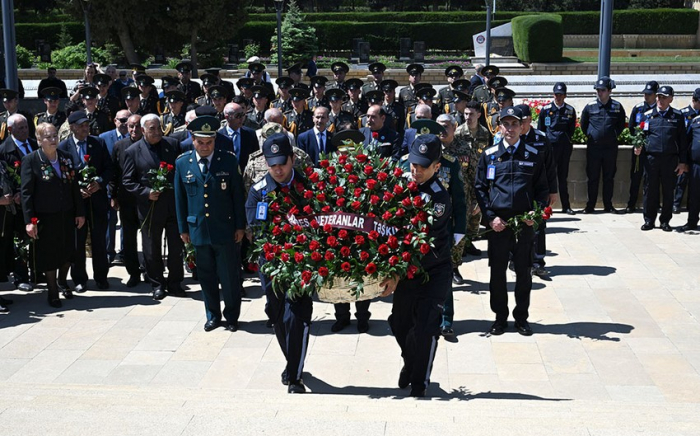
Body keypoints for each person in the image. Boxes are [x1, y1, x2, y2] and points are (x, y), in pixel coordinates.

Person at [381, 133, 453, 398]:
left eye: (423, 165)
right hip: (406, 272)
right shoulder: (401, 186)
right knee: (399, 324)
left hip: (432, 270)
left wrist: (396, 274)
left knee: (425, 328)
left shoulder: (438, 198)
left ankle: (420, 383)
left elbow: (420, 244)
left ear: (436, 166)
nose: (416, 170)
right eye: (413, 163)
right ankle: (411, 363)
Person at [246, 133, 313, 394]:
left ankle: (295, 375)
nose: (278, 169)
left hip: (303, 263)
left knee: (296, 316)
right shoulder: (258, 191)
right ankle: (291, 360)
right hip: (272, 264)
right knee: (277, 316)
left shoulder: (308, 187)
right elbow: (255, 228)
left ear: (292, 159)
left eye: (282, 163)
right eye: (272, 164)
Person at [474, 107, 549, 337]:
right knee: (497, 274)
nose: (510, 129)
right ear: (500, 127)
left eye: (514, 124)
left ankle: (521, 318)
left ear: (522, 126)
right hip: (499, 225)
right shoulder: (490, 155)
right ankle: (499, 318)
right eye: (506, 124)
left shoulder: (533, 154)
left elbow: (542, 189)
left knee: (524, 273)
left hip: (523, 225)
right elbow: (481, 188)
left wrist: (533, 215)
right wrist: (490, 218)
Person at [175, 115, 246, 332]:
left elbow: (237, 196)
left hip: (225, 229)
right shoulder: (182, 163)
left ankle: (232, 315)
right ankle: (212, 315)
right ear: (192, 140)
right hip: (198, 230)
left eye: (210, 142)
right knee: (206, 277)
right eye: (200, 142)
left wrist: (240, 226)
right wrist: (182, 229)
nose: (205, 147)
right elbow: (180, 199)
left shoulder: (228, 160)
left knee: (229, 277)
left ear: (215, 141)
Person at [21, 123, 85, 307]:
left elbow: (74, 186)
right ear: (39, 140)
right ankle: (52, 291)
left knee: (67, 253)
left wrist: (80, 212)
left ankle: (62, 281)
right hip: (45, 217)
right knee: (49, 255)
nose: (53, 139)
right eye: (48, 137)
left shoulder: (65, 157)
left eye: (55, 135)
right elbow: (26, 194)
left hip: (66, 213)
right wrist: (29, 221)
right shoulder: (31, 160)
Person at [122, 114, 184, 300]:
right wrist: (146, 192)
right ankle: (157, 283)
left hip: (172, 206)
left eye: (158, 128)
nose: (157, 132)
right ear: (143, 130)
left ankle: (175, 282)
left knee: (175, 247)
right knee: (151, 248)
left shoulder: (172, 145)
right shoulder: (133, 151)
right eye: (152, 129)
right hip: (149, 207)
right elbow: (127, 180)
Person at [59, 111, 114, 291]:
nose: (85, 128)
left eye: (87, 125)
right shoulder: (64, 147)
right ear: (72, 127)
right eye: (81, 125)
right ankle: (79, 279)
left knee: (99, 240)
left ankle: (101, 277)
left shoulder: (98, 143)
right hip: (77, 204)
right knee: (78, 243)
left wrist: (99, 183)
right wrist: (76, 190)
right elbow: (61, 176)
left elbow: (109, 169)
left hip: (97, 201)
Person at [636, 86, 688, 232]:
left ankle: (665, 220)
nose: (660, 100)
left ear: (671, 98)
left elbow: (683, 141)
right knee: (650, 190)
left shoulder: (677, 116)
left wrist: (682, 162)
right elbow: (641, 136)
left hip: (670, 160)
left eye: (664, 97)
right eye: (659, 97)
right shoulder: (647, 115)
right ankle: (649, 220)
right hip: (651, 158)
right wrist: (637, 146)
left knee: (668, 191)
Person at [517, 104, 557, 278]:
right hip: (518, 191)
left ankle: (538, 262)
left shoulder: (541, 138)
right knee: (517, 225)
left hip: (538, 190)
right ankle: (516, 259)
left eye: (524, 121)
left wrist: (553, 191)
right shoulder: (511, 138)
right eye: (519, 121)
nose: (522, 125)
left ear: (530, 120)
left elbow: (550, 167)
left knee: (538, 225)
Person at [0, 114, 37, 292]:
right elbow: (5, 177)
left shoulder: (34, 144)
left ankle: (38, 271)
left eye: (26, 127)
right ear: (10, 130)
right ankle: (21, 276)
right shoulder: (4, 149)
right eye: (20, 128)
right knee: (19, 240)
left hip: (35, 200)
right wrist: (16, 193)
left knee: (36, 236)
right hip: (15, 205)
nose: (25, 130)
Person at [579, 76, 626, 213]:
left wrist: (613, 135)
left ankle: (608, 205)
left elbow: (621, 124)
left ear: (610, 91)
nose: (600, 93)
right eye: (598, 90)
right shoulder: (590, 106)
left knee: (609, 177)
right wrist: (591, 134)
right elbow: (584, 124)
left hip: (610, 148)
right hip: (594, 147)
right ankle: (590, 205)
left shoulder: (617, 107)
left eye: (603, 90)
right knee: (593, 177)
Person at [455, 100, 491, 257]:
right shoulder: (459, 133)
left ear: (478, 114)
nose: (468, 117)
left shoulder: (485, 133)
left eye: (471, 114)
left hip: (479, 178)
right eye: (466, 114)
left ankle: (469, 242)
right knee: (464, 213)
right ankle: (460, 246)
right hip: (463, 180)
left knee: (476, 214)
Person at [110, 114, 143, 287]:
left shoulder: (150, 143)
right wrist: (113, 196)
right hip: (127, 199)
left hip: (147, 199)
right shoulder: (119, 146)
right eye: (131, 126)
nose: (134, 130)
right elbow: (114, 173)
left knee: (149, 238)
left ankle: (152, 271)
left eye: (137, 126)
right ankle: (133, 272)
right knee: (129, 239)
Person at [537, 83, 576, 215]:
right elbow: (541, 129)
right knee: (548, 177)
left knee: (563, 177)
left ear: (565, 95)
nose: (558, 97)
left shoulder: (570, 110)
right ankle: (545, 207)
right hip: (550, 148)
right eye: (556, 94)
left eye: (561, 95)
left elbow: (571, 130)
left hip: (564, 148)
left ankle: (566, 206)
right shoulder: (546, 109)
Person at [100, 109, 130, 263]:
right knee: (110, 220)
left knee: (126, 221)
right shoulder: (104, 138)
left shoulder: (135, 137)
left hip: (128, 187)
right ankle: (108, 252)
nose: (124, 123)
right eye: (121, 120)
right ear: (115, 121)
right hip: (110, 186)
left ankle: (125, 252)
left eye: (127, 120)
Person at [625, 81, 658, 214]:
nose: (646, 96)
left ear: (655, 95)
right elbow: (632, 127)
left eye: (649, 94)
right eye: (645, 94)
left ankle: (653, 204)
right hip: (639, 149)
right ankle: (631, 204)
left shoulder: (658, 110)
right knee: (636, 177)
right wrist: (637, 141)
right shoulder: (638, 108)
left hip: (653, 150)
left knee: (652, 179)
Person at [673, 88, 700, 213]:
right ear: (694, 100)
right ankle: (676, 203)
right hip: (685, 152)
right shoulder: (683, 113)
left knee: (695, 183)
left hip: (696, 155)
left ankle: (692, 206)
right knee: (681, 180)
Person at [678, 109, 700, 232]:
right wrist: (684, 162)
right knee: (694, 195)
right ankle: (692, 222)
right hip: (696, 165)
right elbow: (686, 142)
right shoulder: (695, 121)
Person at [220, 102, 258, 171]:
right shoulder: (219, 136)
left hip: (246, 175)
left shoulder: (250, 134)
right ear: (227, 117)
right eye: (238, 116)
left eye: (243, 115)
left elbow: (256, 157)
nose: (242, 119)